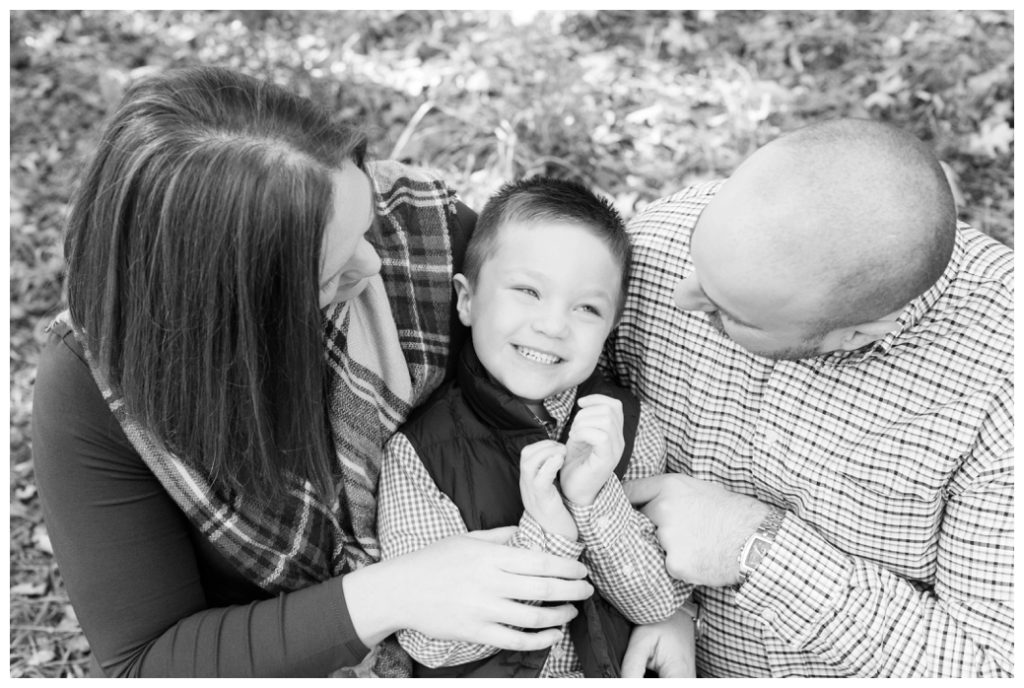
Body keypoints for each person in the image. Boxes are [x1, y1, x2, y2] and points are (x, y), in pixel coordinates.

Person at [30, 65, 598, 678]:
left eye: (366, 218)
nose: (376, 265)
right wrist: (393, 593)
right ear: (231, 308)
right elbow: (147, 661)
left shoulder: (425, 237)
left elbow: (577, 356)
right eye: (329, 275)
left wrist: (648, 580)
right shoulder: (95, 390)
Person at [609, 118, 1013, 677]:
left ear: (857, 334)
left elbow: (991, 670)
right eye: (697, 255)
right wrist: (654, 599)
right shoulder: (659, 239)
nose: (680, 296)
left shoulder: (1003, 387)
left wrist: (754, 550)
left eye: (729, 315)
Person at [377, 177, 690, 677]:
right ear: (467, 300)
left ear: (610, 328)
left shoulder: (627, 426)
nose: (553, 325)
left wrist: (593, 498)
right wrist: (547, 534)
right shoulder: (421, 453)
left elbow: (655, 604)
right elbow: (430, 643)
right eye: (528, 291)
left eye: (586, 307)